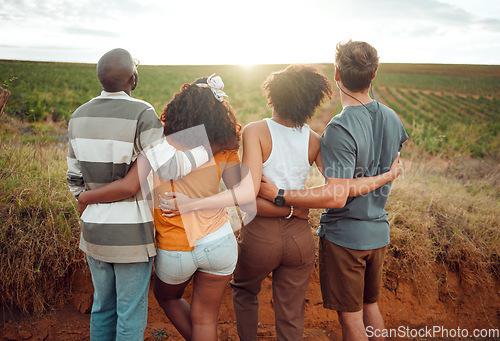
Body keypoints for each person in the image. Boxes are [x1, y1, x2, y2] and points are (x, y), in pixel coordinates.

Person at [160, 65, 403, 340]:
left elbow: (248, 193)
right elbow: (338, 190)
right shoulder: (314, 140)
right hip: (300, 237)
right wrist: (385, 176)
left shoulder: (255, 131)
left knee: (244, 290)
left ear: (272, 97)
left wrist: (276, 197)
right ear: (311, 105)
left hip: (261, 234)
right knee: (291, 310)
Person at [258, 41, 409, 341]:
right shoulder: (393, 118)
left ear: (337, 75)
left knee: (351, 320)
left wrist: (281, 195)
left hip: (346, 240)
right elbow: (382, 170)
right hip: (378, 233)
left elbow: (336, 195)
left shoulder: (340, 128)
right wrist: (387, 176)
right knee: (371, 307)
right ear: (373, 75)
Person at [77, 74, 242, 341]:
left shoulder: (158, 145)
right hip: (219, 240)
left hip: (176, 248)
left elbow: (128, 186)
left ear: (176, 109)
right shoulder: (225, 147)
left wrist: (86, 197)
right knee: (206, 319)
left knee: (167, 297)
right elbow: (240, 193)